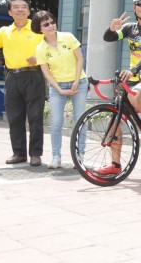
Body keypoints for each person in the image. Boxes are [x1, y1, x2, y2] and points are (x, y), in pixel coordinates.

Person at [97, 0, 141, 175]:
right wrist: (112, 28)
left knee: (135, 96)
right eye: (140, 3)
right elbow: (107, 38)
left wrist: (134, 70)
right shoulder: (129, 28)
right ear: (134, 7)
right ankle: (115, 165)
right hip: (131, 78)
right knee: (115, 121)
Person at [0, 0, 45, 166]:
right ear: (10, 12)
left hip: (34, 75)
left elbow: (52, 47)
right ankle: (19, 153)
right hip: (12, 76)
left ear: (29, 11)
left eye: (24, 6)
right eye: (16, 7)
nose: (20, 9)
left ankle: (35, 154)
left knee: (35, 116)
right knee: (14, 117)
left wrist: (39, 57)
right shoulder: (4, 31)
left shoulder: (38, 29)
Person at [32, 11, 88, 170]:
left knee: (80, 119)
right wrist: (59, 90)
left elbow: (80, 58)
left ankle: (80, 155)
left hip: (79, 83)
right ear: (39, 28)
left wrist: (76, 81)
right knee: (56, 122)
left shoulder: (68, 37)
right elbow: (46, 72)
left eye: (52, 22)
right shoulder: (40, 48)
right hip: (57, 87)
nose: (50, 26)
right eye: (46, 24)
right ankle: (56, 157)